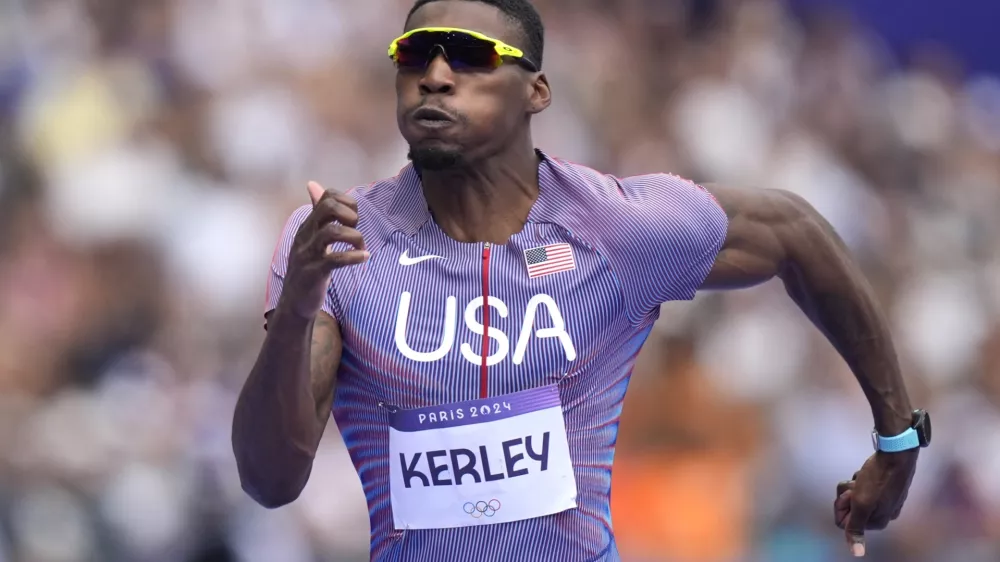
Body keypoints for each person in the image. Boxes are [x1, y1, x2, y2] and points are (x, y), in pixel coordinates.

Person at [231, 0, 929, 560]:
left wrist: (897, 440)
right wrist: (296, 309)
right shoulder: (340, 244)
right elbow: (270, 480)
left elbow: (794, 232)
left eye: (471, 56)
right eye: (414, 55)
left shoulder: (613, 227)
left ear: (536, 91)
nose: (435, 75)